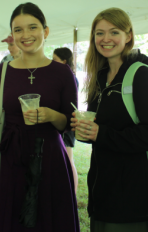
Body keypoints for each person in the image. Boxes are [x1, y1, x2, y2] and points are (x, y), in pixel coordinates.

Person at [0, 2, 79, 231]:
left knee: (48, 220)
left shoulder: (62, 73)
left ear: (45, 31)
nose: (26, 35)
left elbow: (68, 123)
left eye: (32, 27)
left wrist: (52, 115)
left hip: (50, 159)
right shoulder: (2, 72)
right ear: (12, 35)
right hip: (10, 159)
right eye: (18, 29)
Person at [71, 7, 148, 232]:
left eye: (114, 32)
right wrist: (83, 128)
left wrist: (100, 133)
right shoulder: (101, 76)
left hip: (130, 192)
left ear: (128, 36)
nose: (105, 39)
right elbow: (97, 128)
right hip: (101, 186)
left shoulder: (141, 74)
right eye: (99, 33)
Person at [52, 47, 79, 193]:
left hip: (68, 124)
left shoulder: (69, 77)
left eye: (55, 59)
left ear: (64, 61)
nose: (52, 62)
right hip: (63, 123)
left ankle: (72, 194)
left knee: (68, 160)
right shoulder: (65, 76)